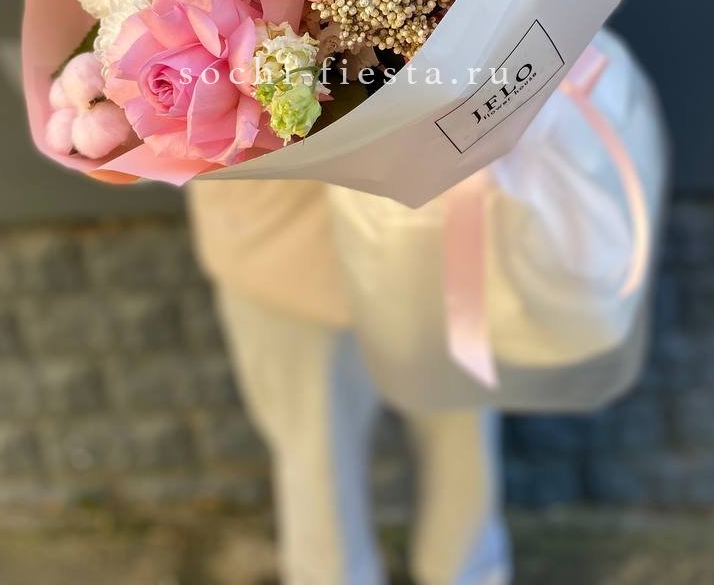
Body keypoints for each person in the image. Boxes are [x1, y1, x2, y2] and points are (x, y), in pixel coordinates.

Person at [188, 178, 512, 585]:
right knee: (317, 455)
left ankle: (467, 573)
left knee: (460, 445)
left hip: (441, 224)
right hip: (281, 236)